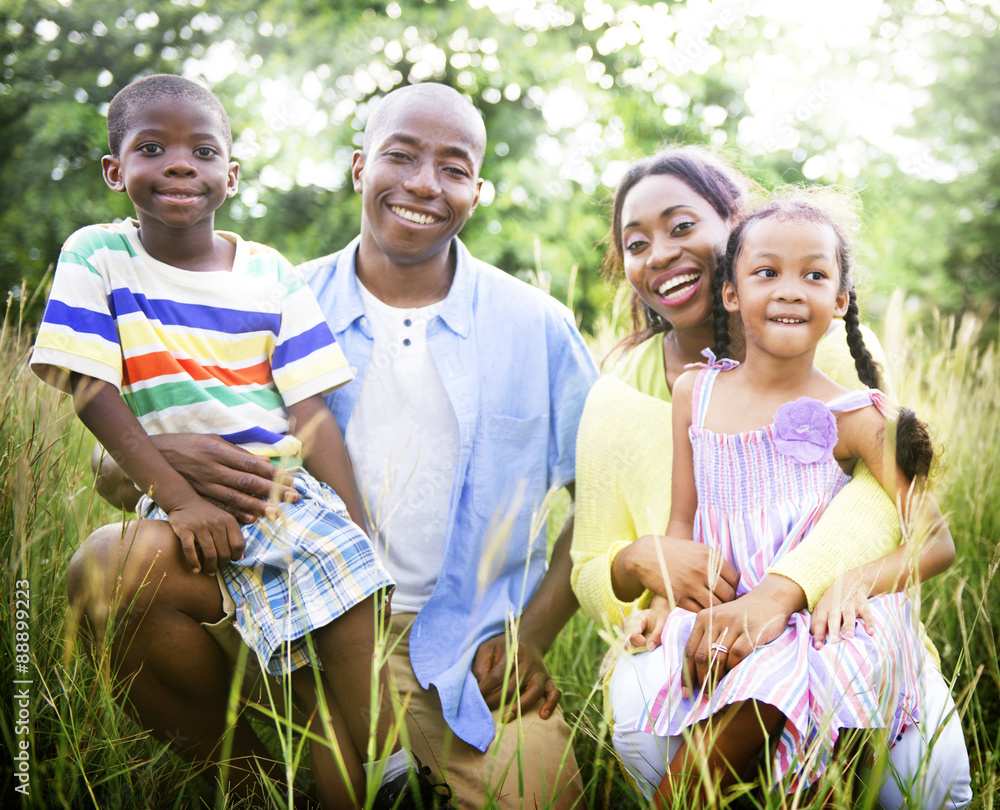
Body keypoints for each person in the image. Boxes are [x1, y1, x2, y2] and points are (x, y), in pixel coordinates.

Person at [68, 81, 597, 809]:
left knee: (541, 799)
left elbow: (603, 493)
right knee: (110, 566)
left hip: (457, 648)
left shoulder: (537, 325)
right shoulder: (271, 295)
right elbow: (117, 444)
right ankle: (260, 783)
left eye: (452, 167)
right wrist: (158, 463)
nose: (422, 184)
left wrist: (532, 635)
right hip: (274, 606)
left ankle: (363, 767)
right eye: (400, 156)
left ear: (478, 190)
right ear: (359, 168)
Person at [35, 73, 449, 809]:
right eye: (151, 148)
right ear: (114, 170)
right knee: (296, 688)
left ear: (232, 173)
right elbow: (91, 389)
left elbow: (311, 411)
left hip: (286, 495)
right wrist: (179, 502)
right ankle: (290, 785)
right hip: (196, 510)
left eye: (202, 150)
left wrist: (353, 522)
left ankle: (394, 779)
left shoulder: (269, 273)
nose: (180, 164)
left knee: (336, 657)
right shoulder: (98, 256)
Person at [570, 147, 973, 808]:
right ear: (737, 284)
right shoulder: (687, 396)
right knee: (691, 692)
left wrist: (835, 585)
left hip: (820, 618)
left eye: (681, 226)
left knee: (793, 686)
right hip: (720, 612)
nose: (789, 290)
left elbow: (929, 534)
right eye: (636, 241)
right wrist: (655, 583)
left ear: (839, 297)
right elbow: (671, 525)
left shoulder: (853, 399)